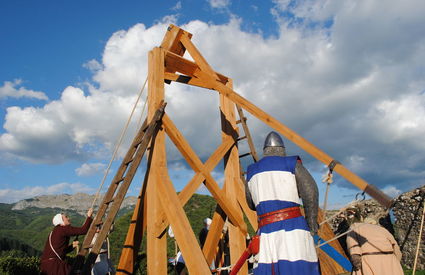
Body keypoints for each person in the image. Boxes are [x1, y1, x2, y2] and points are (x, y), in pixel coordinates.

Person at [245, 131, 320, 274]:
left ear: (265, 151)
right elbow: (310, 192)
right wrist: (311, 222)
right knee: (297, 267)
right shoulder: (291, 163)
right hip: (293, 228)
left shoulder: (251, 171)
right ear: (282, 149)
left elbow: (250, 203)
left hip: (265, 232)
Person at [40, 208, 93, 275]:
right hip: (54, 266)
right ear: (61, 221)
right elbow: (83, 230)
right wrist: (89, 217)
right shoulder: (62, 229)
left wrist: (72, 246)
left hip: (46, 266)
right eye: (66, 217)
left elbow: (61, 251)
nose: (68, 218)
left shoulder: (56, 231)